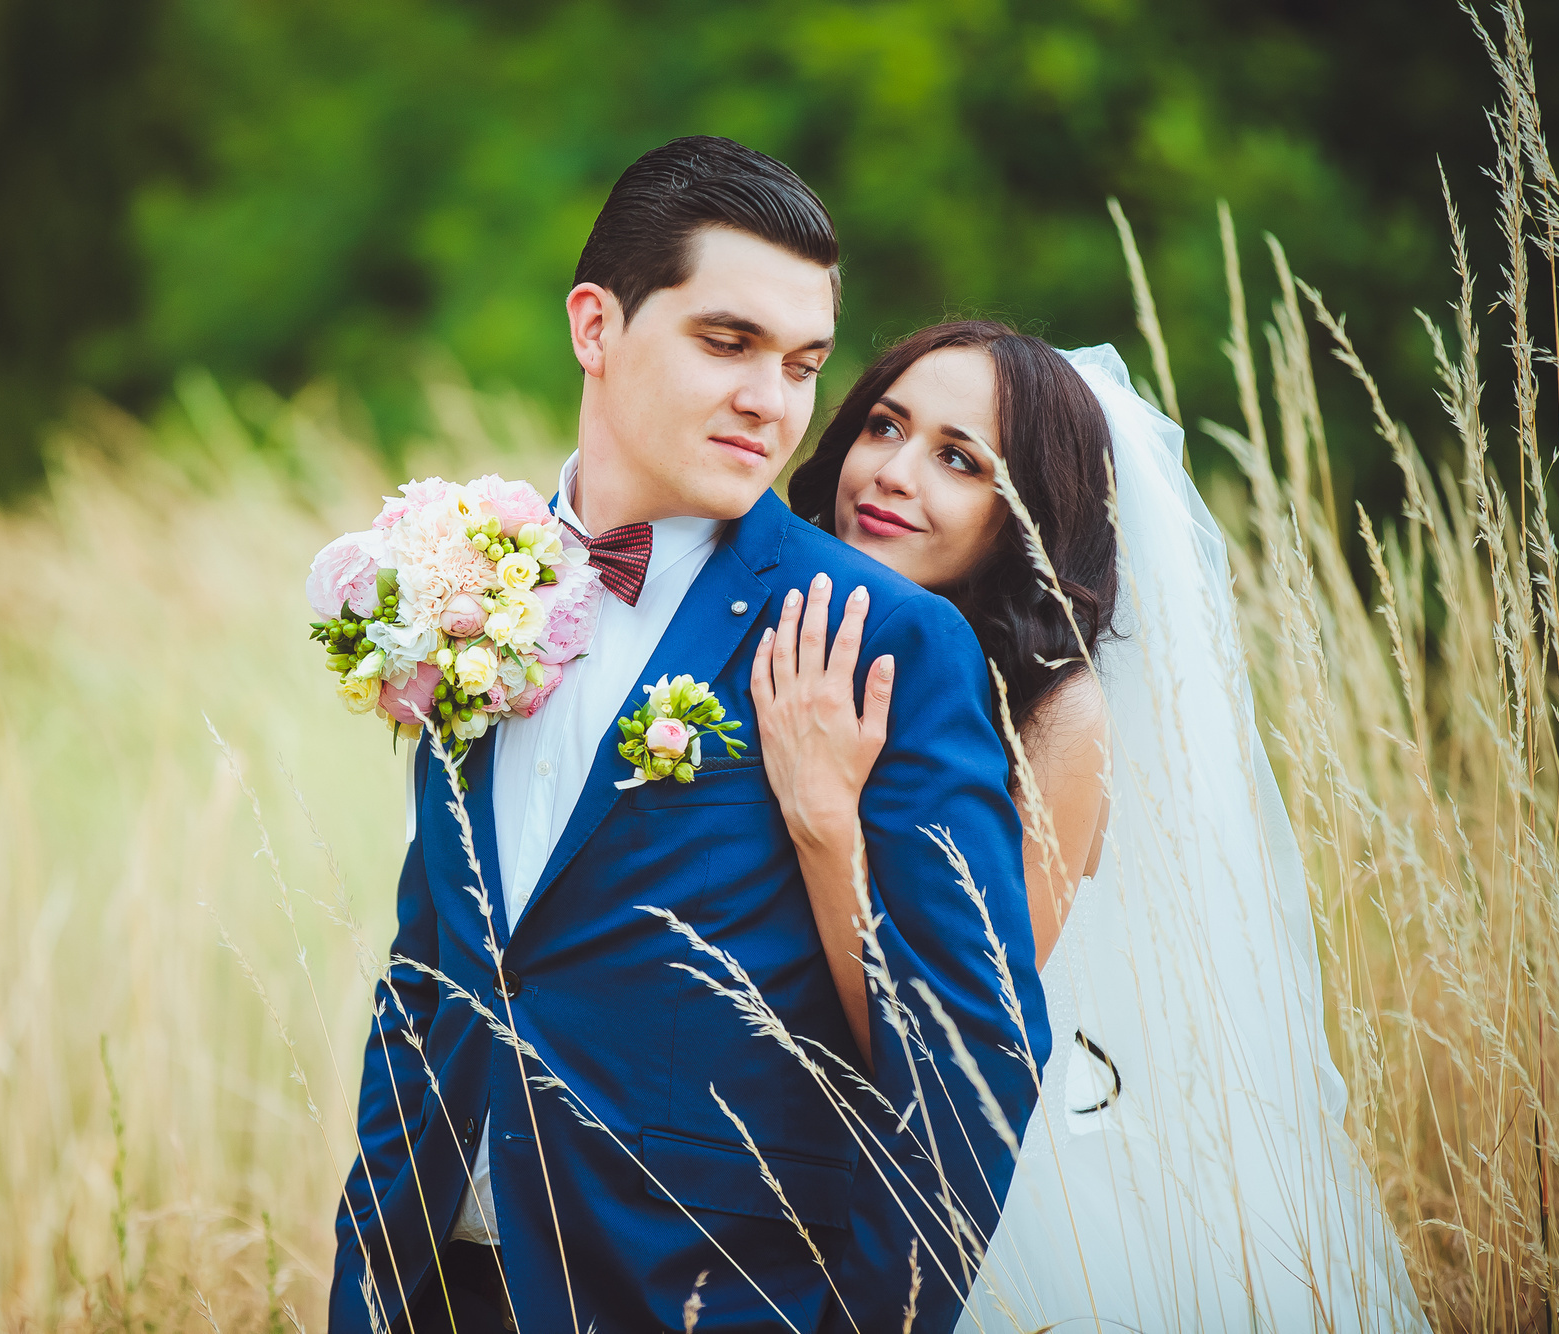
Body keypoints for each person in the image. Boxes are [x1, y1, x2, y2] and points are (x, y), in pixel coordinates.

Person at [330, 140, 1049, 1334]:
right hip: (434, 1287)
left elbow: (975, 1064)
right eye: (727, 343)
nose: (771, 401)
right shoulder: (461, 590)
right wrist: (364, 1276)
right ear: (594, 326)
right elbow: (429, 967)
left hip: (696, 1296)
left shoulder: (881, 637)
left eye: (802, 363)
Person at [759, 322, 1431, 1329]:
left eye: (957, 458)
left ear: (1025, 511)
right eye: (883, 426)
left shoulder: (1060, 714)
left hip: (961, 1184)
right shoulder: (783, 618)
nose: (892, 473)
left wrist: (823, 824)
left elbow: (952, 1049)